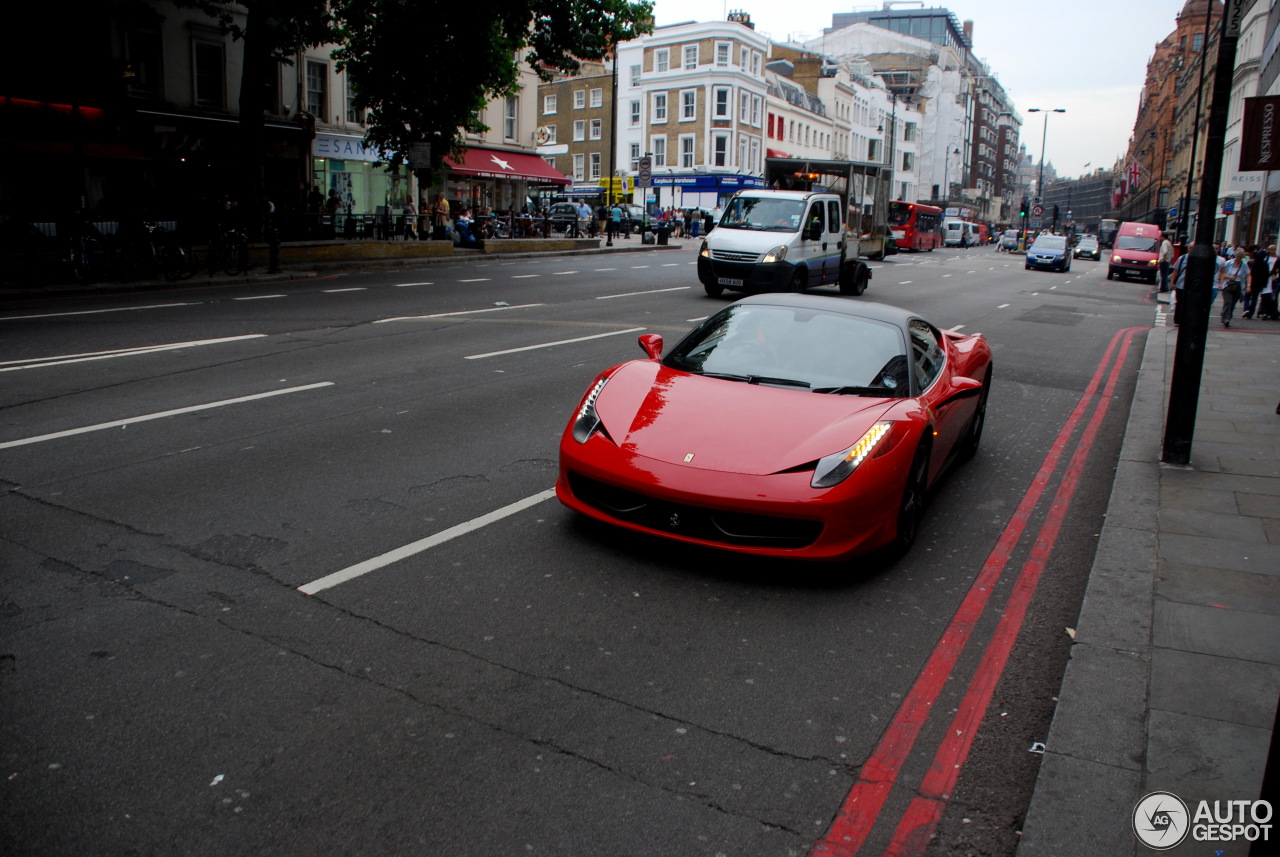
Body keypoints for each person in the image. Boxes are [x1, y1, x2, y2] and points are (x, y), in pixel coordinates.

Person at [1218, 247, 1250, 328]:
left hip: (1238, 286)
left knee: (1233, 303)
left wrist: (1248, 286)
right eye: (1238, 256)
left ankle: (1228, 317)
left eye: (1240, 256)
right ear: (1235, 255)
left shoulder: (1244, 264)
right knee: (1228, 302)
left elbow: (1248, 275)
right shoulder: (1228, 263)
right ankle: (1226, 319)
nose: (1239, 258)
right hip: (1228, 284)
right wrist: (1223, 282)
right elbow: (1222, 273)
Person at [1244, 244, 1270, 318]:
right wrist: (1264, 284)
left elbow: (1249, 273)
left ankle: (1246, 309)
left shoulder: (1252, 262)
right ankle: (1251, 313)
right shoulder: (1265, 264)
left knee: (1247, 296)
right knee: (1254, 298)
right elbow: (1266, 275)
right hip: (1259, 284)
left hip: (1251, 282)